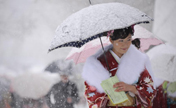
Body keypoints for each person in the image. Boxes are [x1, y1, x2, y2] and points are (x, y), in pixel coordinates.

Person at [82, 26, 157, 108]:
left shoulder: (136, 60)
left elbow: (150, 88)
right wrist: (107, 96)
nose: (125, 44)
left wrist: (131, 88)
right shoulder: (99, 64)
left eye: (129, 39)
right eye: (120, 41)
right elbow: (90, 94)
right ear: (111, 40)